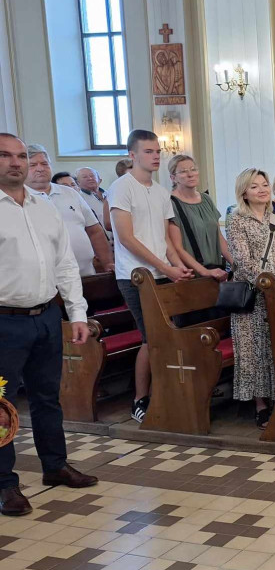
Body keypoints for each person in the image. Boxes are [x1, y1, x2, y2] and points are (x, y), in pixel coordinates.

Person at [0, 134, 98, 517]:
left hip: (45, 317)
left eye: (21, 156)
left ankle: (54, 466)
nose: (16, 163)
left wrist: (77, 313)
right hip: (3, 321)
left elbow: (65, 265)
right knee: (2, 405)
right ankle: (5, 484)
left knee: (46, 397)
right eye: (5, 155)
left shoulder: (44, 206)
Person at [108, 129, 193, 423]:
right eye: (148, 151)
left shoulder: (159, 192)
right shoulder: (121, 187)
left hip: (161, 272)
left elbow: (165, 239)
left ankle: (166, 393)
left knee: (168, 335)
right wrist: (165, 267)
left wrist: (175, 264)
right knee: (150, 337)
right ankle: (140, 399)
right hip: (135, 276)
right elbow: (127, 238)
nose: (156, 156)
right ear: (132, 155)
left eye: (157, 151)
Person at [226, 169, 275, 429]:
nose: (262, 189)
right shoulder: (236, 221)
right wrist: (270, 281)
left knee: (273, 347)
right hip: (252, 295)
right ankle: (260, 405)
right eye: (254, 186)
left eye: (265, 185)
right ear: (244, 192)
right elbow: (242, 261)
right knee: (253, 351)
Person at [26, 145, 113, 276]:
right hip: (46, 279)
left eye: (44, 163)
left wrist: (107, 263)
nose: (40, 168)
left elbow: (94, 231)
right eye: (32, 165)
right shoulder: (19, 197)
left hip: (86, 273)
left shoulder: (70, 194)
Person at [166, 154, 233, 280]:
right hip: (191, 274)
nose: (190, 174)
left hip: (215, 269)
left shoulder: (206, 199)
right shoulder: (171, 203)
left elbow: (219, 237)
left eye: (193, 169)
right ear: (173, 178)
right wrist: (204, 272)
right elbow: (177, 248)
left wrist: (236, 264)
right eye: (183, 172)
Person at [74, 166, 112, 239]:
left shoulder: (110, 194)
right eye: (85, 177)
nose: (90, 178)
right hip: (97, 240)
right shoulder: (79, 198)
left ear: (100, 180)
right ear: (77, 182)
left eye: (92, 176)